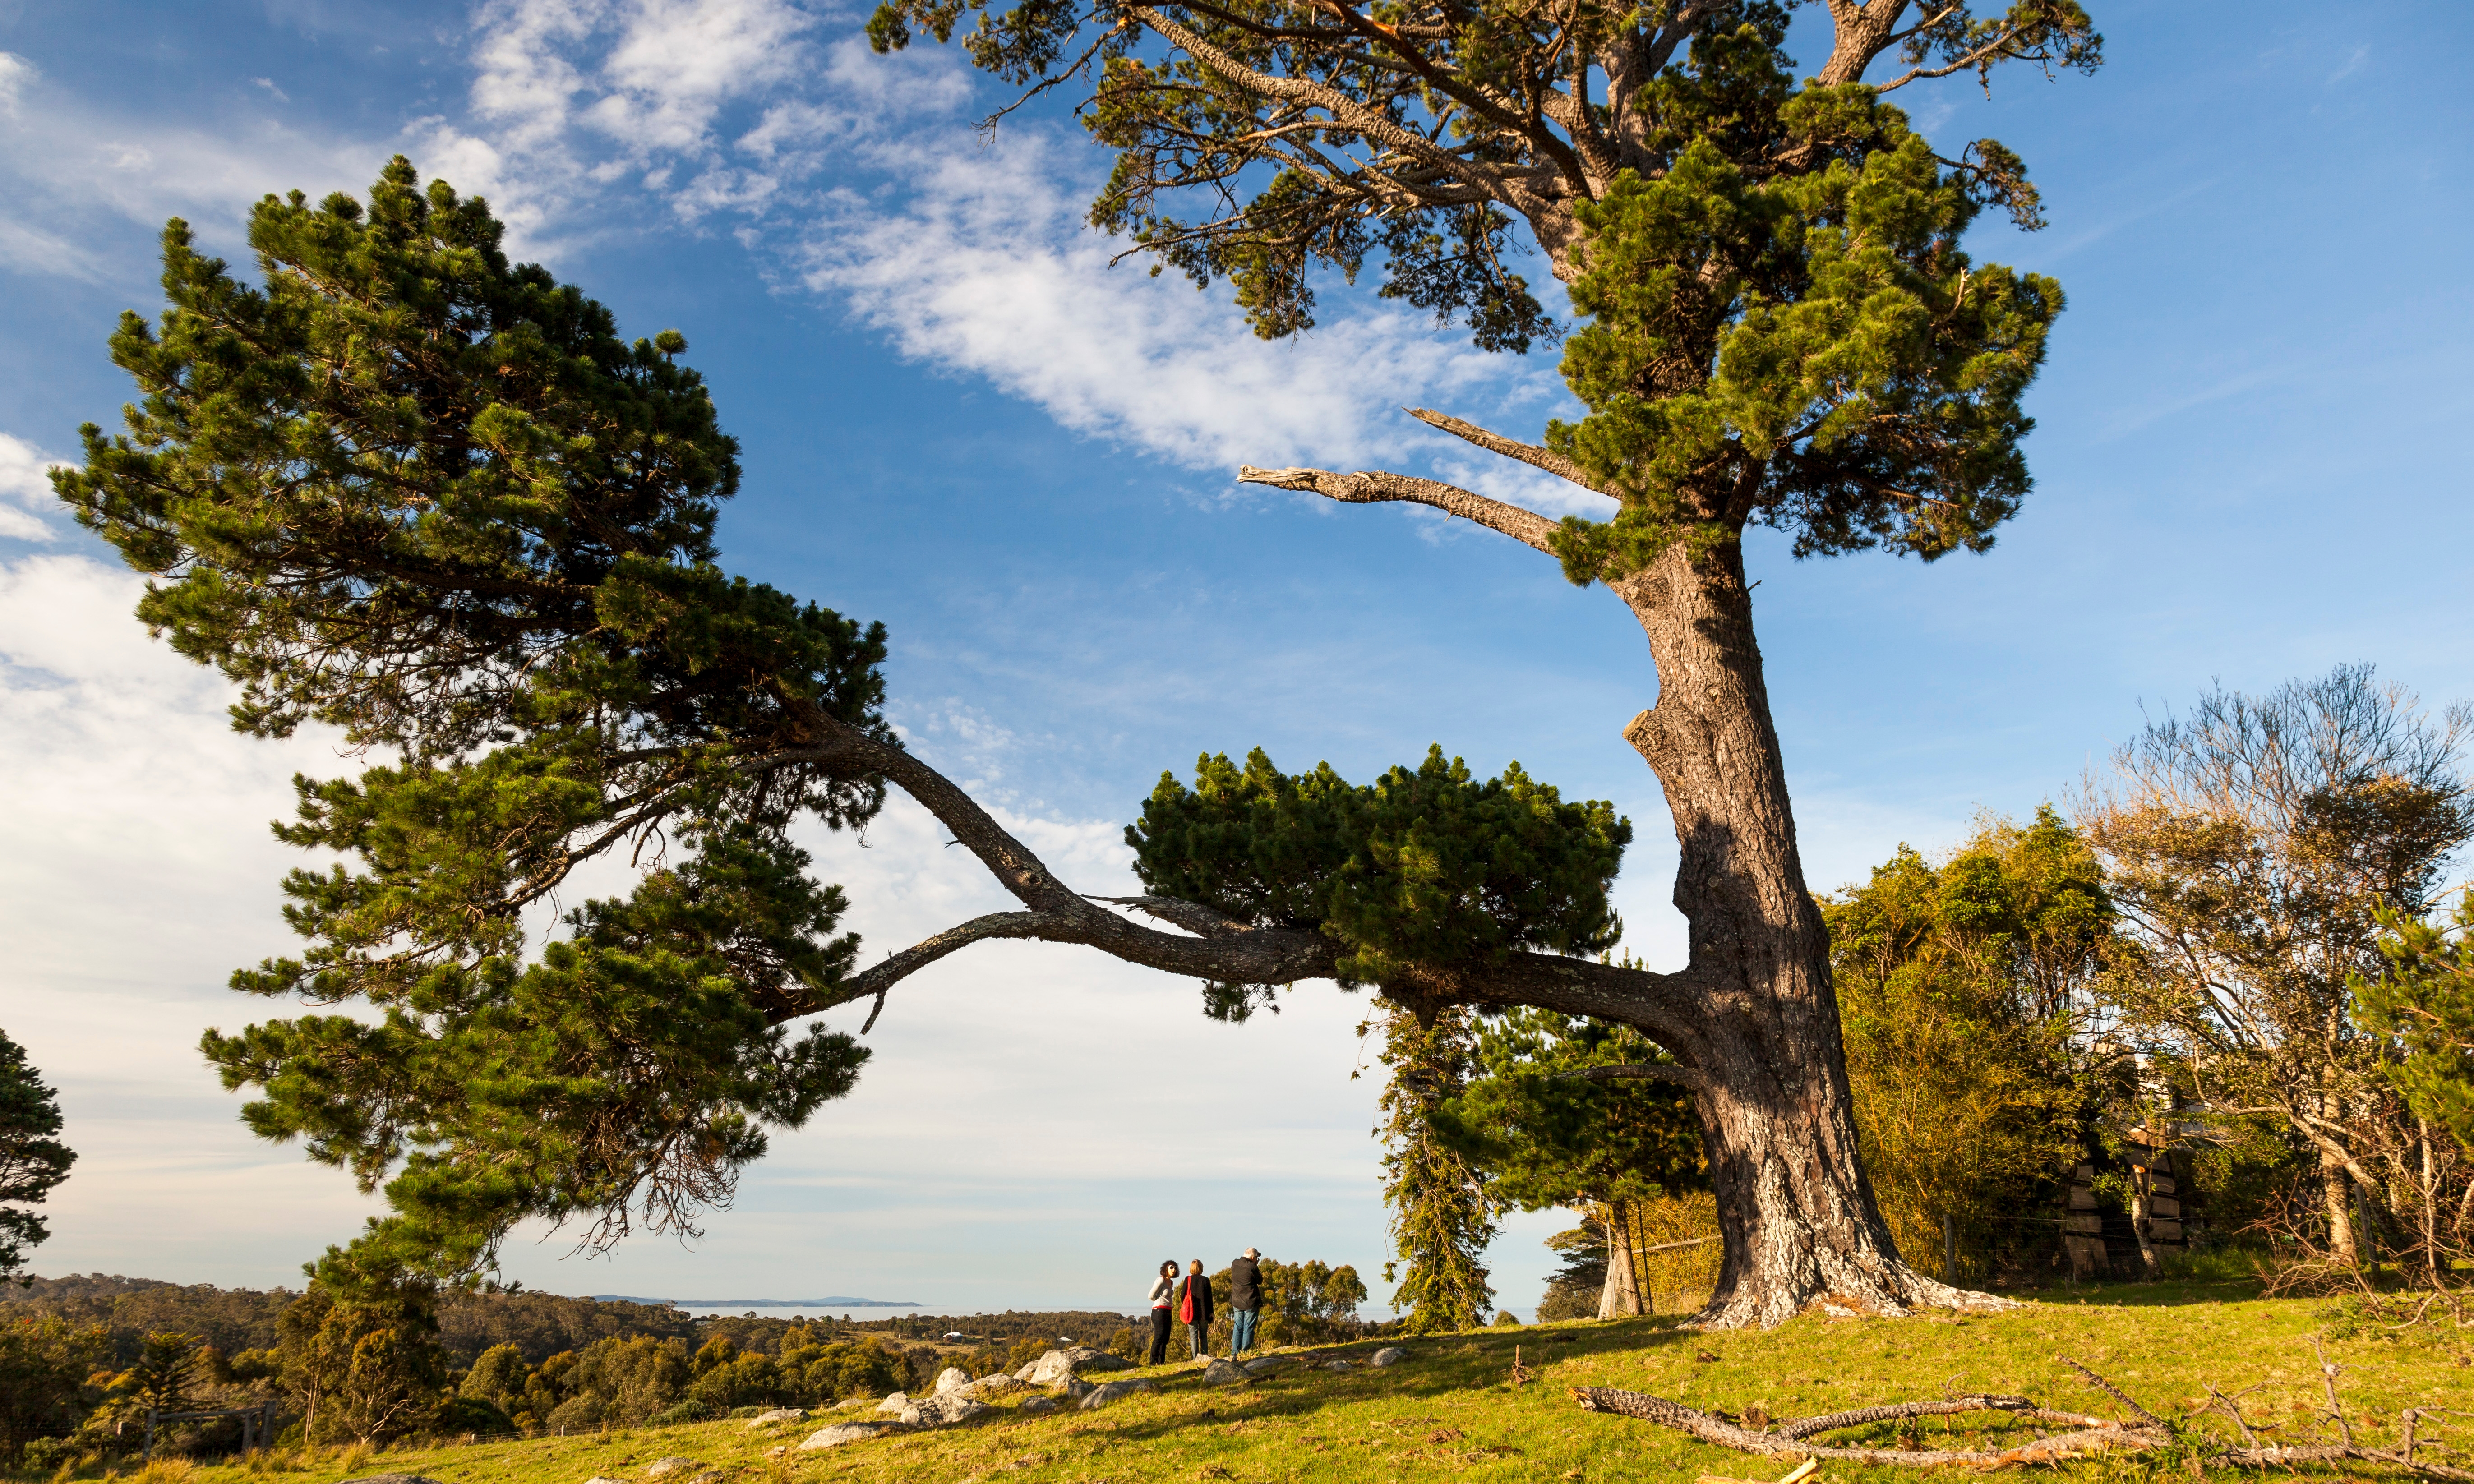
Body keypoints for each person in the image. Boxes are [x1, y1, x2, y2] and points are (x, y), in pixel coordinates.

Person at [1226, 1247, 1263, 1358]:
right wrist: (1256, 1265)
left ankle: (1235, 1352)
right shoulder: (1252, 1267)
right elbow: (1260, 1280)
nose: (1257, 1260)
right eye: (1257, 1258)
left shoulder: (1235, 1264)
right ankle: (1246, 1351)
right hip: (1250, 1302)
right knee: (1249, 1327)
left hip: (1237, 1301)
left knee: (1238, 1326)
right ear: (1253, 1258)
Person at [1177, 1258, 1214, 1360]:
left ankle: (1195, 1359)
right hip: (1204, 1313)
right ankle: (1205, 1357)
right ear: (1201, 1268)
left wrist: (1186, 1306)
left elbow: (1181, 1296)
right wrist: (1212, 1313)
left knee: (1193, 1337)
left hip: (1191, 1313)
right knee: (1204, 1336)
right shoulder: (1206, 1280)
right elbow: (1210, 1298)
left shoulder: (1188, 1280)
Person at [1146, 1259, 1177, 1365]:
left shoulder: (1171, 1282)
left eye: (1175, 1268)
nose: (1174, 1270)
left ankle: (1161, 1362)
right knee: (1159, 1335)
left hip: (1168, 1311)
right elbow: (1151, 1295)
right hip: (1159, 1311)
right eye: (1171, 1267)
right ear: (1166, 1268)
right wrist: (1158, 1301)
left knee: (1166, 1337)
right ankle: (1153, 1361)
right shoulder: (1161, 1280)